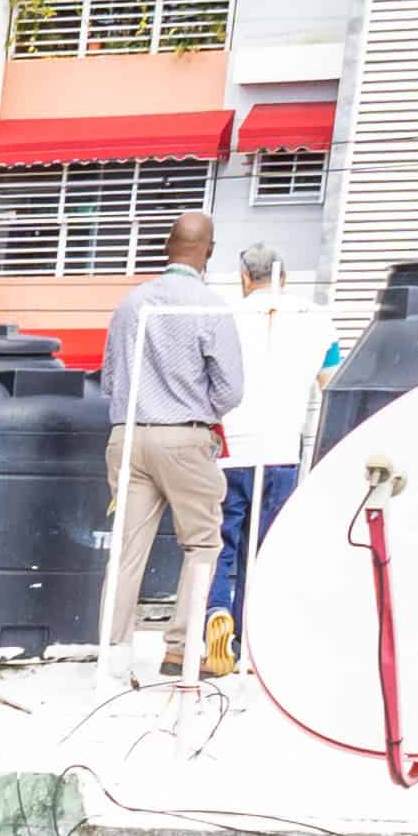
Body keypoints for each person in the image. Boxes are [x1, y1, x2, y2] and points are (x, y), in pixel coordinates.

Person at [94, 213, 242, 678]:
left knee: (127, 547)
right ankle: (179, 648)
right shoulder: (211, 308)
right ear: (209, 251)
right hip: (185, 434)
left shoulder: (129, 304)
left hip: (128, 433)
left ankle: (112, 650)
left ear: (166, 246)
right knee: (201, 543)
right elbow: (231, 389)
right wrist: (199, 409)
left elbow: (110, 379)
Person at [209, 245, 321, 678]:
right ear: (284, 277)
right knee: (263, 552)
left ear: (243, 277)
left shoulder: (226, 320)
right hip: (281, 452)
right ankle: (252, 642)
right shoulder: (315, 320)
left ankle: (217, 612)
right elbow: (329, 381)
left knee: (219, 545)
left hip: (231, 451)